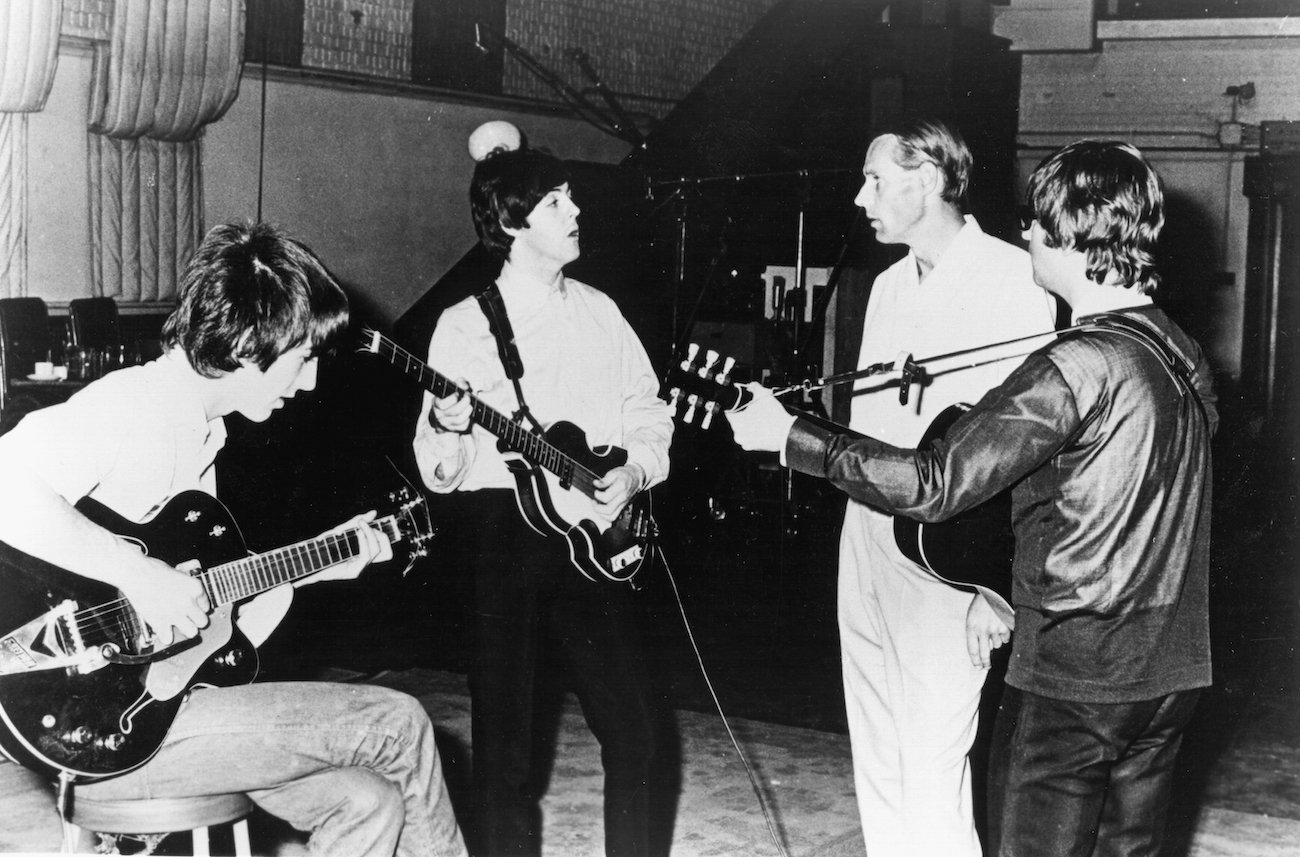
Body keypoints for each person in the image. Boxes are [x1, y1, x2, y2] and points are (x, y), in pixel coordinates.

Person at [729, 139, 1216, 857]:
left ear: (1073, 238)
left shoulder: (1073, 363)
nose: (1026, 236)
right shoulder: (1181, 349)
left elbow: (935, 481)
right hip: (1169, 671)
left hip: (1073, 675)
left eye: (1038, 225)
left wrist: (791, 436)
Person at [0, 222, 467, 857]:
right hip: (105, 721)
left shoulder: (202, 433)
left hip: (169, 701)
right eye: (302, 359)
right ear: (248, 346)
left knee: (369, 800)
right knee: (399, 721)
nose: (307, 383)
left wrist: (325, 562)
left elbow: (213, 620)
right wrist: (135, 573)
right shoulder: (132, 405)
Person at [412, 143, 672, 856]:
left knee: (638, 735)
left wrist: (638, 469)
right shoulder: (465, 325)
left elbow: (649, 408)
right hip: (506, 540)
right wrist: (447, 422)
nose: (576, 209)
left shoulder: (601, 310)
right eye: (557, 200)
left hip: (596, 537)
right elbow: (440, 470)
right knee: (505, 756)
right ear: (513, 221)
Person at [825, 119, 1058, 856]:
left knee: (931, 757)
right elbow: (866, 427)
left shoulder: (1014, 278)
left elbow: (1024, 454)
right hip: (866, 536)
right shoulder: (889, 284)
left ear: (926, 180)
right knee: (879, 746)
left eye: (876, 180)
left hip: (949, 556)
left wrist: (995, 587)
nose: (862, 196)